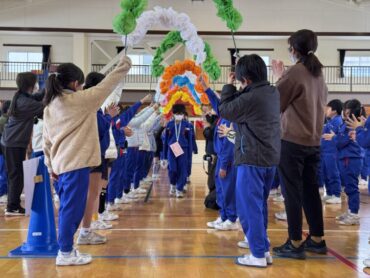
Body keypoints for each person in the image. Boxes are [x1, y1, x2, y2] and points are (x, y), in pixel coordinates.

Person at [43, 56, 132, 266]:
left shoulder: (50, 106)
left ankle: (67, 249)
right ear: (75, 84)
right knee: (71, 210)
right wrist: (124, 66)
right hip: (75, 165)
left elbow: (47, 143)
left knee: (68, 208)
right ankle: (65, 253)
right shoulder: (79, 101)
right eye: (81, 84)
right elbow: (106, 86)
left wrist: (50, 167)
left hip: (60, 165)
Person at [219, 54, 280, 268]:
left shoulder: (250, 98)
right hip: (269, 159)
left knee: (248, 208)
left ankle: (257, 254)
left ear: (246, 78)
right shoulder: (272, 92)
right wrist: (241, 87)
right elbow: (243, 102)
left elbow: (225, 110)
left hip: (251, 158)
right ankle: (262, 249)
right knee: (258, 206)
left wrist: (228, 86)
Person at [271, 29, 328, 259]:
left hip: (292, 141)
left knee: (292, 192)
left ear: (293, 50)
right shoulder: (318, 73)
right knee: (310, 191)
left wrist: (279, 76)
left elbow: (275, 102)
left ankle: (294, 242)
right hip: (313, 142)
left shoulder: (296, 72)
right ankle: (317, 238)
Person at [77, 72, 119, 242]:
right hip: (91, 153)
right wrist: (109, 116)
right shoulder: (90, 103)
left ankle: (89, 226)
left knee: (93, 192)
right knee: (91, 193)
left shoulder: (93, 103)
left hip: (96, 153)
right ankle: (85, 231)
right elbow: (98, 127)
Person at [2, 72, 44, 216]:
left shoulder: (22, 97)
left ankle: (12, 204)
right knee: (16, 175)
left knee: (14, 174)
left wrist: (48, 88)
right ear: (31, 85)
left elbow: (38, 97)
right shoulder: (25, 102)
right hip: (14, 142)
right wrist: (51, 90)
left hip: (12, 141)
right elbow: (42, 105)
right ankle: (12, 207)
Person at [200, 76, 237, 231]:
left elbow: (229, 146)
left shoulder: (230, 119)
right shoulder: (223, 115)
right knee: (220, 190)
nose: (219, 102)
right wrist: (206, 88)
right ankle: (223, 216)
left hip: (227, 161)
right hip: (221, 158)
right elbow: (216, 102)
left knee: (228, 191)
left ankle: (231, 219)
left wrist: (223, 166)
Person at [323, 99, 365, 225]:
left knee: (352, 187)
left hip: (351, 159)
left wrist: (334, 137)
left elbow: (342, 141)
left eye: (346, 108)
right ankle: (351, 210)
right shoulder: (346, 123)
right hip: (346, 158)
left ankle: (354, 214)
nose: (344, 111)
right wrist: (336, 137)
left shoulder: (352, 124)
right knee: (348, 187)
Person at [162, 104, 193, 198]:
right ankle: (173, 184)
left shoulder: (187, 125)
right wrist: (164, 157)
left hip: (183, 148)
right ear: (173, 113)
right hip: (172, 148)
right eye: (177, 113)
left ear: (183, 114)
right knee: (172, 169)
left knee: (182, 170)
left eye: (181, 113)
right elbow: (165, 140)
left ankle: (179, 189)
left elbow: (190, 140)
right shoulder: (169, 124)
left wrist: (190, 155)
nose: (179, 115)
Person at [320, 99, 343, 204]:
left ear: (334, 110)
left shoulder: (338, 121)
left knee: (333, 173)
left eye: (328, 108)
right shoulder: (330, 121)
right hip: (325, 151)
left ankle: (336, 195)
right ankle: (329, 193)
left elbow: (339, 137)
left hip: (332, 152)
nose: (326, 110)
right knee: (325, 173)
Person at [0, 101, 11, 204]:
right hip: (2, 151)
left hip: (4, 151)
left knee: (5, 173)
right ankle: (2, 194)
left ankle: (5, 193)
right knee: (3, 173)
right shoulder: (4, 120)